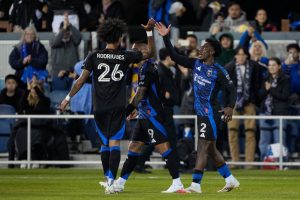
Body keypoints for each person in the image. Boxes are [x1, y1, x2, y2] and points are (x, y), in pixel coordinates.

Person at [60, 18, 155, 194]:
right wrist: (149, 32)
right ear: (119, 38)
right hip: (117, 106)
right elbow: (150, 53)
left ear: (104, 37)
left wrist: (67, 98)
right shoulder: (125, 55)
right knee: (114, 143)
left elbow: (80, 81)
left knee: (104, 144)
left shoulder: (93, 56)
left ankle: (107, 179)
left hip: (99, 107)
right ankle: (111, 182)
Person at [155, 22, 239, 193]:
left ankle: (195, 184)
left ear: (213, 51)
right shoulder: (195, 64)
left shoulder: (219, 70)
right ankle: (230, 180)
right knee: (212, 149)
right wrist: (165, 37)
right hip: (201, 114)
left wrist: (230, 107)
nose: (200, 50)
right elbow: (174, 56)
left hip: (211, 114)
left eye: (204, 48)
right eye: (200, 48)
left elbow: (232, 90)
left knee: (202, 146)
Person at [113, 42, 187, 194]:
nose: (130, 53)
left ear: (143, 52)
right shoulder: (141, 68)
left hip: (152, 115)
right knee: (134, 148)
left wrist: (126, 112)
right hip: (144, 114)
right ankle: (120, 183)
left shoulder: (147, 68)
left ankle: (177, 183)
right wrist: (136, 110)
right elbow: (143, 95)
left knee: (163, 147)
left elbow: (140, 94)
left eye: (133, 50)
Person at [225, 47, 261, 168]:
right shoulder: (229, 67)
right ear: (235, 56)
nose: (241, 57)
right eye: (238, 55)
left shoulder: (254, 66)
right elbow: (225, 87)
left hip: (249, 103)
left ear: (247, 56)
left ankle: (249, 163)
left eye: (243, 54)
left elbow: (257, 84)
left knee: (250, 132)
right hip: (233, 104)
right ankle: (235, 162)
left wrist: (254, 100)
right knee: (232, 132)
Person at [258, 57, 290, 160]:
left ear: (279, 66)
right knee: (264, 141)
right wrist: (267, 90)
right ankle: (264, 162)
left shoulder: (285, 79)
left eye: (273, 65)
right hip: (265, 113)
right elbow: (259, 97)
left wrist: (271, 89)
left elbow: (284, 96)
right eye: (269, 65)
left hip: (279, 114)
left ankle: (282, 164)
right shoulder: (264, 79)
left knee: (280, 140)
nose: (271, 67)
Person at [50, 12, 82, 79]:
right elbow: (55, 43)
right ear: (60, 31)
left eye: (67, 31)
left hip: (72, 74)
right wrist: (64, 28)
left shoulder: (73, 41)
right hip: (58, 74)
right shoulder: (54, 40)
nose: (65, 33)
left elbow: (79, 37)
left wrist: (69, 25)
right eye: (63, 31)